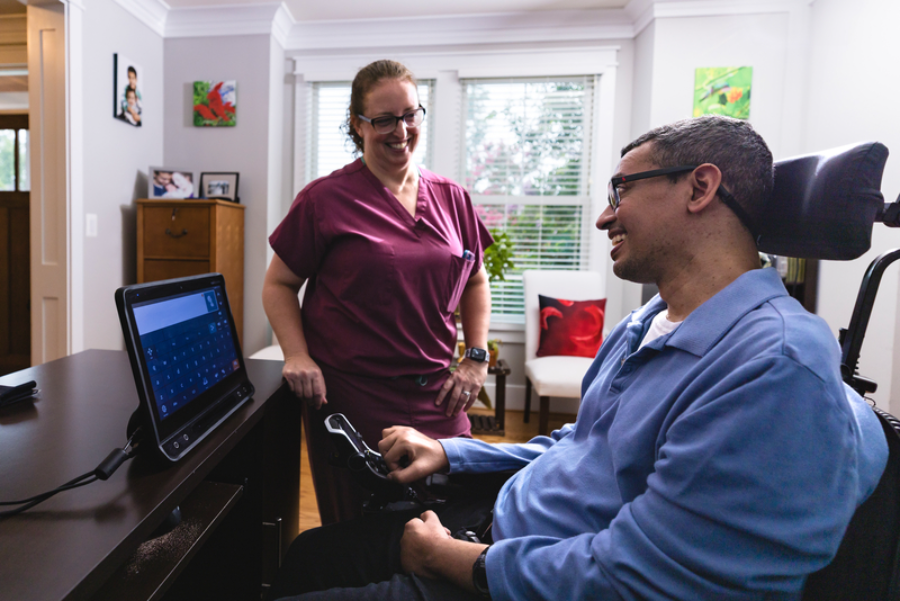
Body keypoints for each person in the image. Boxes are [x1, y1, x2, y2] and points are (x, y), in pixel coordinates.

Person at [266, 115, 889, 601]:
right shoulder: (649, 321)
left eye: (622, 189)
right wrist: (454, 452)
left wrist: (455, 560)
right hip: (503, 518)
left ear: (700, 187)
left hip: (518, 572)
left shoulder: (770, 366)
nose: (603, 215)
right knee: (306, 557)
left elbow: (651, 581)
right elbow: (582, 445)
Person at [262, 59, 494, 525]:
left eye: (410, 115)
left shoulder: (452, 197)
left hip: (439, 394)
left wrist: (475, 357)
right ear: (358, 124)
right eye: (384, 119)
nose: (401, 131)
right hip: (354, 397)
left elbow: (475, 278)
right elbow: (279, 284)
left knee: (457, 519)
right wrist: (297, 355)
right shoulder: (324, 199)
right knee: (360, 530)